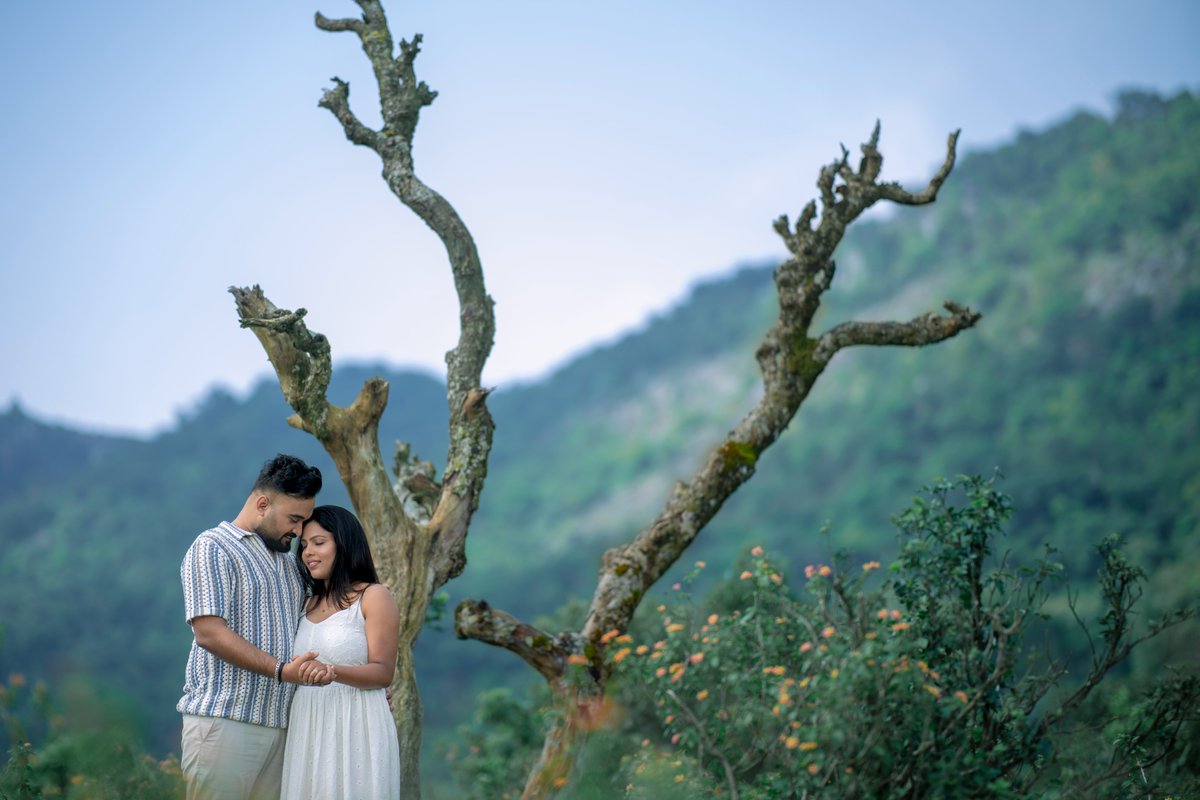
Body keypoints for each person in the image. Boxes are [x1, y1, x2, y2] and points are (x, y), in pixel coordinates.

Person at [177, 453, 333, 800]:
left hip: (284, 730)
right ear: (263, 503)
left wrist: (363, 680)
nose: (298, 530)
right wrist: (281, 670)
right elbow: (209, 633)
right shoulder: (213, 548)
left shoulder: (291, 563)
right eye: (294, 519)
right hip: (225, 724)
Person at [281, 504, 402, 799]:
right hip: (307, 722)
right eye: (304, 545)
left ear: (344, 544)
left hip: (357, 720)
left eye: (319, 543)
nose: (308, 552)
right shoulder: (304, 604)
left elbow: (383, 672)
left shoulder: (373, 596)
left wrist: (333, 672)